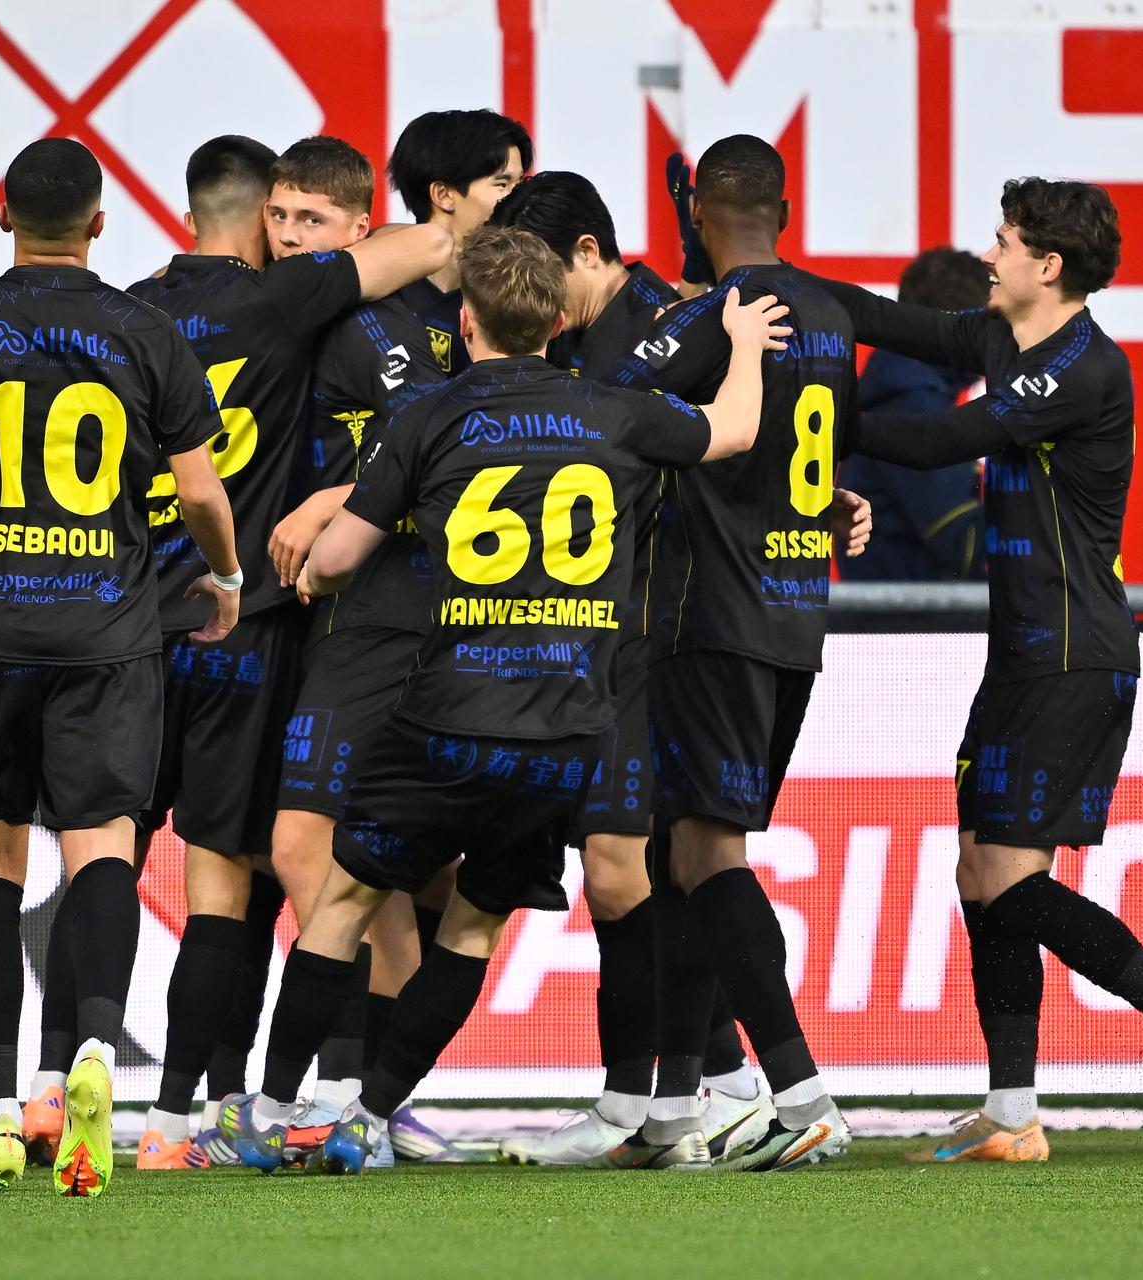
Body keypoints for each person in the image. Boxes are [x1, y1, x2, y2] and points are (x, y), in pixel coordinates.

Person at [217, 225, 787, 1173]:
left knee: (347, 899)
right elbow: (732, 430)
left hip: (445, 714)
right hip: (566, 728)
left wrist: (318, 566)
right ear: (560, 322)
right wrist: (744, 348)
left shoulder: (430, 413)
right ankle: (366, 1120)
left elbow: (343, 554)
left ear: (466, 321)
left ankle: (275, 1114)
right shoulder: (619, 410)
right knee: (476, 922)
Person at [814, 177, 1143, 1161]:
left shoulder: (1086, 368)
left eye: (1004, 241)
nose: (989, 254)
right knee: (981, 872)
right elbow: (888, 318)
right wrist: (768, 285)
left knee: (1012, 885)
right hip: (1022, 654)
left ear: (1047, 266)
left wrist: (798, 415)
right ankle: (1013, 1113)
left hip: (1073, 656)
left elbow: (935, 438)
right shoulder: (1002, 336)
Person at [43, 134, 445, 1173]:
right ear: (262, 208)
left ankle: (75, 1092)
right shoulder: (285, 303)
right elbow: (418, 249)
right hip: (241, 624)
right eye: (286, 216)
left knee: (101, 856)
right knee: (237, 871)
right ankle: (250, 1110)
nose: (291, 234)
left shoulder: (124, 310)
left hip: (120, 627)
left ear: (181, 207)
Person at [0, 137, 241, 1196]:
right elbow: (204, 494)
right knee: (102, 848)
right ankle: (94, 1057)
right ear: (101, 224)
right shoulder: (145, 330)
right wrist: (225, 573)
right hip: (106, 634)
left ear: (1, 216)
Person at [258, 109, 533, 1165]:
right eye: (280, 216)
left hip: (456, 618)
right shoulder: (361, 310)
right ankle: (352, 1098)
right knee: (310, 850)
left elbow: (448, 460)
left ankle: (366, 1101)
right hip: (360, 616)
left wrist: (334, 491)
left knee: (407, 873)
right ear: (445, 199)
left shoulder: (491, 314)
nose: (289, 235)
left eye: (310, 216)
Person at [598, 135, 870, 1172]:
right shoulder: (834, 319)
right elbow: (796, 456)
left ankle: (797, 1092)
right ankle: (675, 1108)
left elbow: (614, 395)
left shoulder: (712, 320)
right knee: (682, 857)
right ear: (786, 213)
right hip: (793, 618)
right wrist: (836, 500)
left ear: (698, 217)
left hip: (711, 617)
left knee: (709, 856)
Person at [486, 170, 766, 1165]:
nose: (535, 291)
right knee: (636, 873)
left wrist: (817, 504)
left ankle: (658, 1099)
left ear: (595, 254)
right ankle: (695, 1094)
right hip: (600, 642)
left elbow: (750, 429)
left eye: (546, 269)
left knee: (640, 873)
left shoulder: (680, 325)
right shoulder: (579, 343)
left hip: (662, 641)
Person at [836, 247, 988, 582]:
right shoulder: (914, 410)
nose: (997, 341)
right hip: (916, 629)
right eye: (989, 325)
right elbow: (964, 544)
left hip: (900, 624)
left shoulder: (898, 396)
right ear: (960, 325)